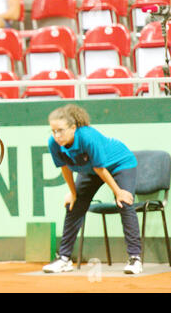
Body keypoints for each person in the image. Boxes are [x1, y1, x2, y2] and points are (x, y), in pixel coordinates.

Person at [42, 104, 143, 275]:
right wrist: (73, 193)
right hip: (91, 170)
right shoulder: (54, 143)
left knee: (124, 203)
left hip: (120, 163)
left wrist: (118, 192)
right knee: (73, 206)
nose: (57, 135)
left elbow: (100, 169)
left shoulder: (88, 137)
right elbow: (65, 168)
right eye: (53, 131)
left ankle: (135, 259)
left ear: (73, 128)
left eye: (60, 130)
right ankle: (64, 259)